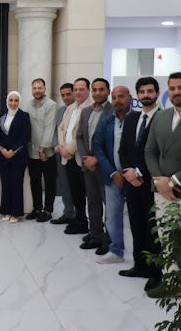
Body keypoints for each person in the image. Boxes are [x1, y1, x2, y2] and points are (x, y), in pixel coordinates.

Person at [118, 77, 161, 291]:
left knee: (153, 229)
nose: (146, 95)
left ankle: (155, 273)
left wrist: (139, 172)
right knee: (136, 225)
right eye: (142, 92)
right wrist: (128, 172)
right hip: (132, 183)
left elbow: (159, 153)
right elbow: (123, 150)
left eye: (150, 91)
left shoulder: (163, 118)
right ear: (137, 95)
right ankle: (140, 265)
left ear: (157, 93)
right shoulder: (132, 118)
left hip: (152, 183)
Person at [144, 71, 181, 299]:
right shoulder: (161, 116)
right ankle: (172, 282)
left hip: (177, 187)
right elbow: (150, 151)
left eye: (180, 88)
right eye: (173, 88)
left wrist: (173, 181)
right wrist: (159, 180)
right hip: (162, 190)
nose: (177, 92)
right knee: (167, 236)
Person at [93, 86, 132, 264]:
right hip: (112, 177)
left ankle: (144, 257)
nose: (117, 100)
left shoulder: (138, 119)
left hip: (135, 178)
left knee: (139, 219)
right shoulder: (106, 122)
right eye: (114, 97)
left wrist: (132, 173)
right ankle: (116, 251)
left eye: (121, 96)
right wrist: (112, 172)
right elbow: (98, 147)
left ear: (129, 98)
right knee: (112, 217)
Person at [75, 78, 113, 254]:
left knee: (109, 204)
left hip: (105, 165)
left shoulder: (114, 111)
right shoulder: (86, 112)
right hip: (88, 165)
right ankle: (95, 236)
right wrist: (85, 158)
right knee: (93, 202)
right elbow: (79, 137)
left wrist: (97, 159)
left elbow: (113, 141)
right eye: (95, 90)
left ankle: (109, 241)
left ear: (108, 91)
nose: (97, 93)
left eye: (101, 89)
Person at [57, 77, 94, 235]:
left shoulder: (91, 107)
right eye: (76, 89)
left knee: (89, 195)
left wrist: (69, 150)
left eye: (81, 89)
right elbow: (61, 128)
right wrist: (62, 147)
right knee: (75, 192)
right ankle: (80, 222)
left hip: (82, 157)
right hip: (68, 157)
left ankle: (94, 227)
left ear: (88, 90)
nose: (78, 92)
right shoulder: (71, 107)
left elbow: (84, 134)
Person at [0, 91, 31, 223]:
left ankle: (15, 213)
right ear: (7, 101)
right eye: (11, 100)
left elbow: (26, 136)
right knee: (5, 184)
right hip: (3, 156)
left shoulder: (24, 116)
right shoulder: (1, 116)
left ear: (19, 102)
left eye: (16, 100)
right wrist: (3, 150)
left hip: (18, 157)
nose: (13, 103)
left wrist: (13, 151)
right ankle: (6, 211)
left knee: (16, 184)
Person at [25, 78, 58, 222]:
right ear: (32, 90)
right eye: (35, 88)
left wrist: (42, 149)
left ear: (45, 89)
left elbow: (50, 128)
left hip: (46, 151)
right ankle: (37, 208)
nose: (37, 90)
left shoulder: (51, 105)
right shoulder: (28, 104)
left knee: (49, 182)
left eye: (40, 88)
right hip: (32, 150)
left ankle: (48, 210)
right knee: (35, 181)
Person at [51, 83, 76, 224]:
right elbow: (56, 130)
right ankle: (68, 212)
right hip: (61, 153)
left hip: (75, 155)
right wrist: (56, 145)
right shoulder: (60, 111)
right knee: (64, 184)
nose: (66, 97)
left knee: (77, 186)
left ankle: (79, 215)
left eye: (68, 94)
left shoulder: (81, 110)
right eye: (63, 95)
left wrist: (70, 150)